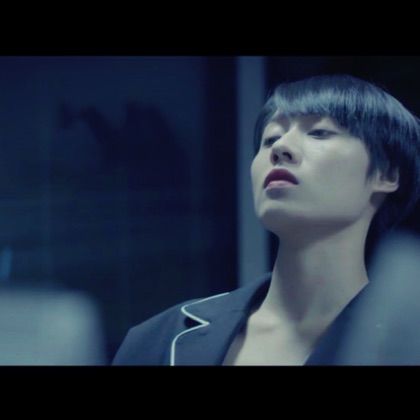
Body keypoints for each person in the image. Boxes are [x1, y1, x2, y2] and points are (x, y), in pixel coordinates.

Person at [112, 74, 420, 365]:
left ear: (387, 174)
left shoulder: (406, 341)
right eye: (270, 139)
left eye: (319, 132)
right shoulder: (157, 340)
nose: (281, 148)